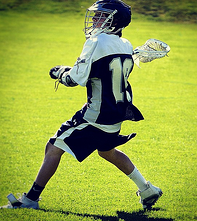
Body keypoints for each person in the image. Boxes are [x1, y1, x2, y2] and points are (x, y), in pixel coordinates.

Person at [1, 0, 162, 210]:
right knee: (107, 152)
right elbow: (101, 73)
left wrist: (60, 73)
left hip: (96, 116)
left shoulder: (97, 41)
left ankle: (30, 200)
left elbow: (74, 80)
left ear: (114, 21)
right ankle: (147, 189)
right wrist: (72, 70)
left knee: (53, 146)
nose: (95, 19)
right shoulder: (126, 45)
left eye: (101, 16)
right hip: (116, 115)